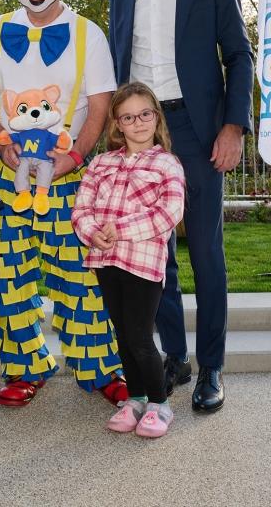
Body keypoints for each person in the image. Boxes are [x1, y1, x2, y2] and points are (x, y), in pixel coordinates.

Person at [108, 0, 253, 413]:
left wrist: (233, 126)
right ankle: (175, 357)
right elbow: (120, 66)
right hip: (143, 134)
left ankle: (212, 367)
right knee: (154, 256)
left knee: (207, 254)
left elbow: (239, 55)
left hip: (197, 129)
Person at [0, 0, 128, 407]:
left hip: (65, 177)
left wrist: (74, 156)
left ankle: (98, 369)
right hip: (4, 177)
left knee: (79, 275)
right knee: (9, 275)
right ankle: (24, 369)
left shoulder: (87, 33)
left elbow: (100, 105)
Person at [72, 82, 185, 438]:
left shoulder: (167, 164)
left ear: (156, 116)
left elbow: (169, 212)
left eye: (145, 114)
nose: (138, 123)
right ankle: (134, 399)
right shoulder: (102, 163)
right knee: (122, 334)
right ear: (118, 124)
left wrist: (118, 229)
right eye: (128, 117)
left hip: (143, 261)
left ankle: (159, 404)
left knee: (139, 335)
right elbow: (82, 208)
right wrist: (92, 233)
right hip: (106, 260)